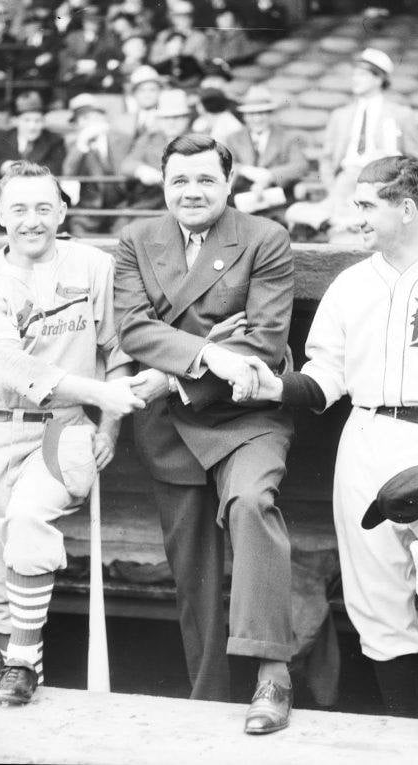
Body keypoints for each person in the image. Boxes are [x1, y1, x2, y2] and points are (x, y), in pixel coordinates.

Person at [236, 153, 418, 743]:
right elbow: (323, 382)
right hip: (366, 434)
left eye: (367, 205)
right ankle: (400, 728)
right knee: (375, 601)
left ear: (407, 208)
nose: (355, 216)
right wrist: (272, 385)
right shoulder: (351, 283)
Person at [113, 134, 296, 734]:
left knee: (250, 504)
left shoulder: (263, 238)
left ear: (230, 180)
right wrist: (211, 350)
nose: (191, 192)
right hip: (171, 431)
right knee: (191, 572)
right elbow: (135, 329)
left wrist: (177, 377)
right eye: (179, 181)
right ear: (163, 184)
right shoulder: (138, 239)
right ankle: (208, 698)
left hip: (245, 415)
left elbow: (265, 344)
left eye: (204, 180)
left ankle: (272, 676)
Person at [0, 160, 143, 705]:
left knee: (29, 519)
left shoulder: (93, 267)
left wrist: (108, 424)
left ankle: (19, 667)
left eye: (42, 208)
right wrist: (100, 395)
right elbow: (7, 365)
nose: (31, 220)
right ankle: (20, 661)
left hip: (63, 430)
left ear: (62, 210)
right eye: (19, 209)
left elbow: (117, 352)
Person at [289, 48, 418, 241]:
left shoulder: (400, 114)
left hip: (380, 182)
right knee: (293, 212)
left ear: (379, 79)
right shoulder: (340, 115)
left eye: (362, 75)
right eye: (355, 74)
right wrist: (333, 189)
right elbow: (327, 159)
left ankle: (346, 223)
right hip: (345, 182)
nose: (355, 79)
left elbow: (416, 161)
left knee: (348, 235)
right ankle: (345, 221)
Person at [224, 85, 308, 221]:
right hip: (242, 199)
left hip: (276, 200)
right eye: (252, 114)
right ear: (244, 116)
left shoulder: (287, 137)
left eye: (262, 113)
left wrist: (270, 176)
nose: (257, 119)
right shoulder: (233, 138)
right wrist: (244, 169)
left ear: (270, 114)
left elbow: (300, 166)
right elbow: (225, 165)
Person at [62, 93, 133, 236]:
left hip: (121, 207)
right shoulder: (74, 144)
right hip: (88, 210)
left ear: (103, 118)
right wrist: (82, 144)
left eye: (93, 116)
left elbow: (126, 171)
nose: (89, 122)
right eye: (82, 119)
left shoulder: (123, 138)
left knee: (124, 238)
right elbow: (68, 174)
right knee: (79, 239)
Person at [119, 89, 194, 220]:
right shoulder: (149, 139)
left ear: (187, 119)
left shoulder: (199, 141)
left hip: (188, 207)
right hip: (151, 205)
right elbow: (127, 165)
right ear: (158, 120)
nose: (172, 122)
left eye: (177, 117)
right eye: (166, 118)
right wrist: (140, 170)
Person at [0, 91, 67, 179]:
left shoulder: (54, 140)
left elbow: (55, 168)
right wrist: (4, 166)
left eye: (37, 121)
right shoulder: (1, 138)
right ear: (16, 121)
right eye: (26, 120)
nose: (32, 127)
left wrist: (23, 169)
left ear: (44, 122)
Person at [117, 64, 162, 140]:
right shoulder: (125, 120)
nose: (147, 95)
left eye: (152, 90)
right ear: (134, 93)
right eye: (142, 90)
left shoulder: (165, 120)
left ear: (159, 92)